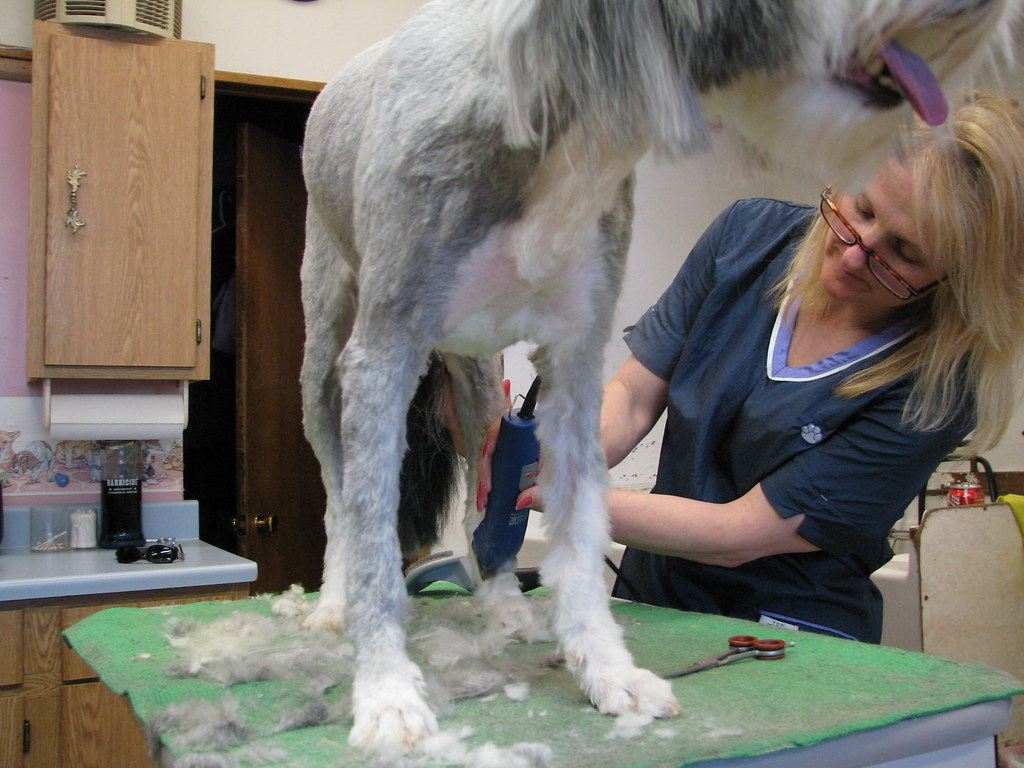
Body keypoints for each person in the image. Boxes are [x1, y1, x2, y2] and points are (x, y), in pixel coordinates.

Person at [478, 91, 1024, 643]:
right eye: (862, 209)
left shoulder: (937, 390)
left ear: (958, 276)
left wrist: (560, 492)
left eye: (904, 252)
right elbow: (635, 397)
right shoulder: (747, 238)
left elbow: (741, 532)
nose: (856, 253)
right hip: (656, 601)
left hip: (792, 637)